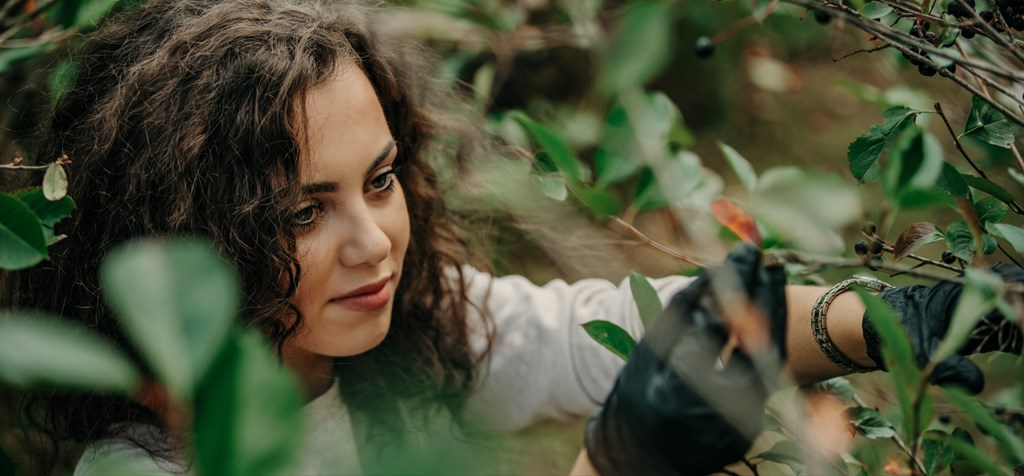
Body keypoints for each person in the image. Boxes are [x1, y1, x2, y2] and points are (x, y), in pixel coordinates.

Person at [1, 0, 1018, 474]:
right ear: (184, 233)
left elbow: (619, 327)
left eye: (382, 180)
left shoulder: (403, 326)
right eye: (300, 212)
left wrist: (893, 317)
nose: (373, 246)